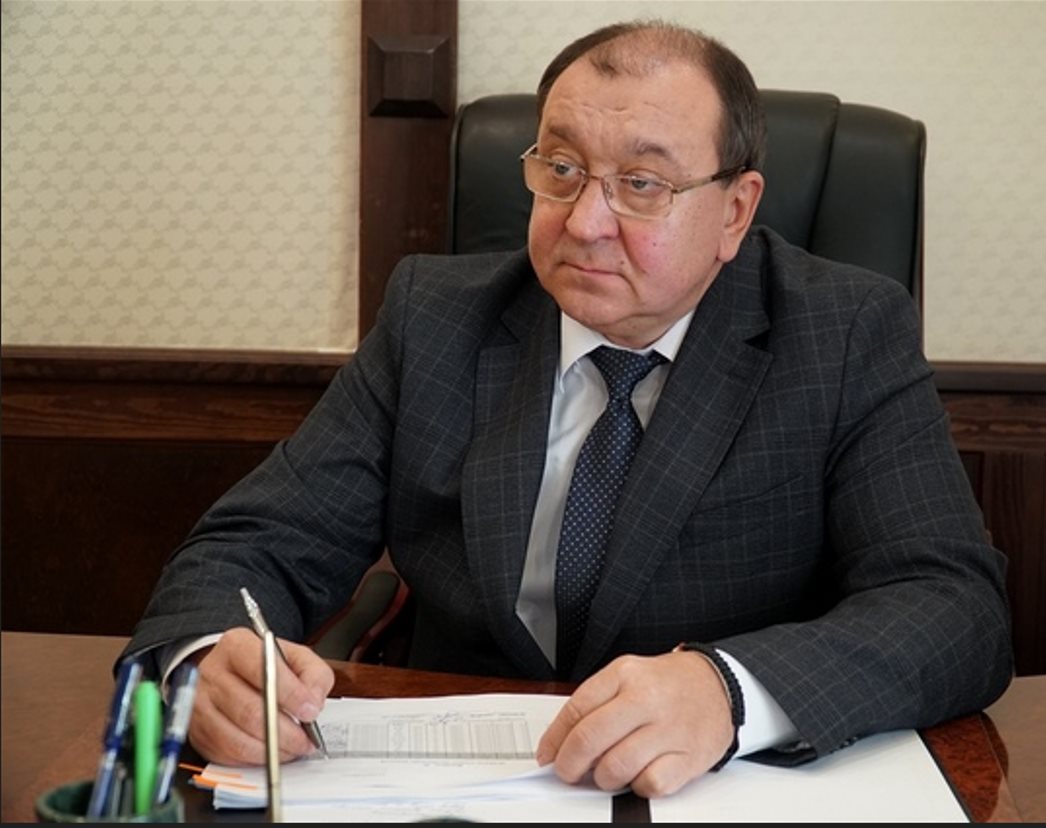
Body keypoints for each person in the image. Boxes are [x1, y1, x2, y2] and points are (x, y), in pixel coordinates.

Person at [120, 19, 1013, 799]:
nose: (585, 221)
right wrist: (206, 661)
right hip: (452, 786)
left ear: (735, 213)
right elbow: (259, 542)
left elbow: (952, 606)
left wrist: (733, 693)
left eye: (642, 184)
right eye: (562, 169)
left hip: (716, 789)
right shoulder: (437, 318)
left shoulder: (845, 333)